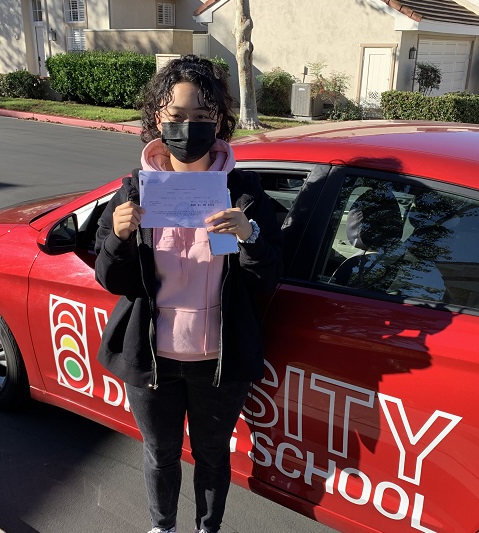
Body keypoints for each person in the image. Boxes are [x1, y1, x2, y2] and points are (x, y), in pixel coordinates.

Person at [94, 55, 283, 533]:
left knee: (213, 456)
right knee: (159, 454)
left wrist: (251, 234)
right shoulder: (134, 192)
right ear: (157, 118)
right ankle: (163, 527)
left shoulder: (243, 193)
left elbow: (267, 281)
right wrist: (117, 237)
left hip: (218, 359)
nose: (188, 129)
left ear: (220, 121)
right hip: (152, 357)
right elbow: (112, 279)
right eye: (175, 117)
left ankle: (207, 529)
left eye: (202, 118)